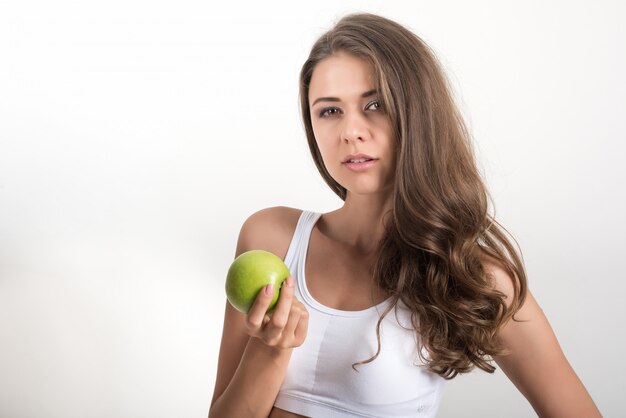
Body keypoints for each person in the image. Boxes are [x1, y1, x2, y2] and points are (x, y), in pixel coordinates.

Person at [209, 12, 602, 418]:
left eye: (375, 105)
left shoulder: (473, 275)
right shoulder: (270, 238)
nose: (350, 132)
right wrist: (269, 351)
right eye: (329, 111)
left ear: (419, 114)